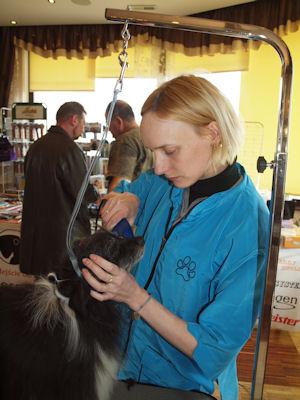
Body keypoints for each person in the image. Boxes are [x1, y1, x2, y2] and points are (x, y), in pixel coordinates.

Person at [82, 76, 270, 400]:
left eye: (169, 151)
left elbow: (213, 348)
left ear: (213, 133)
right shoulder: (167, 181)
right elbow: (130, 190)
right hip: (117, 366)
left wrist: (135, 297)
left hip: (181, 386)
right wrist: (128, 200)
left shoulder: (248, 228)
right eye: (153, 151)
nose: (158, 167)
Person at [20, 101, 97, 276]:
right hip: (62, 242)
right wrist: (95, 195)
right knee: (61, 296)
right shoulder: (69, 150)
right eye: (83, 123)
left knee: (41, 293)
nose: (83, 129)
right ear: (74, 119)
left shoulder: (35, 147)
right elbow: (82, 193)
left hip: (36, 240)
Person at [105, 100, 153, 192]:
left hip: (130, 202)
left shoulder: (124, 141)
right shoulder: (147, 136)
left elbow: (118, 185)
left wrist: (106, 203)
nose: (109, 130)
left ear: (119, 121)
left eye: (109, 125)